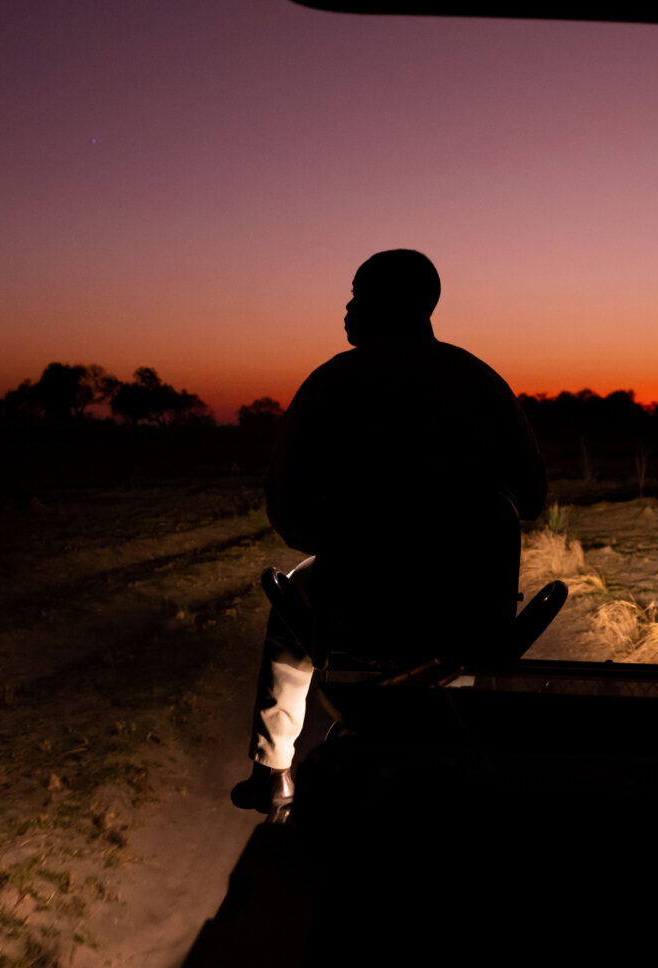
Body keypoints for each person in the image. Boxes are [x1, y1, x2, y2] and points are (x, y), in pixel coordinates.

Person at [231, 249, 547, 813]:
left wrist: (354, 537)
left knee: (288, 620)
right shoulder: (480, 380)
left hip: (358, 609)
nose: (347, 308)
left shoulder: (330, 383)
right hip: (471, 612)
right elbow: (533, 499)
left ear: (384, 301)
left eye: (355, 294)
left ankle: (272, 770)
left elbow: (288, 516)